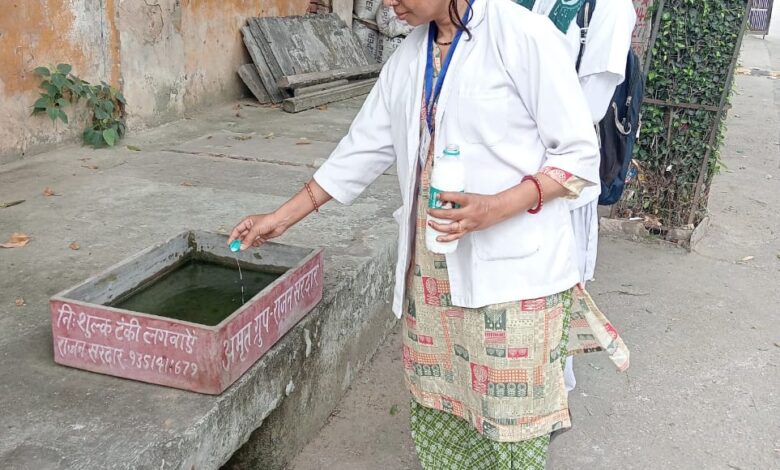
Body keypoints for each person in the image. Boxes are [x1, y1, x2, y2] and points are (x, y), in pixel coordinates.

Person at [228, 0, 629, 468]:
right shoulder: (409, 57)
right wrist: (281, 217)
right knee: (444, 427)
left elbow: (579, 158)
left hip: (513, 287)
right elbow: (359, 150)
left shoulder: (523, 36)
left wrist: (496, 206)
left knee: (511, 438)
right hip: (433, 281)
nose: (387, 3)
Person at [514, 0, 637, 394]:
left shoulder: (609, 9)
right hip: (505, 178)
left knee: (550, 301)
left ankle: (550, 399)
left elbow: (587, 112)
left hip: (558, 189)